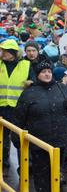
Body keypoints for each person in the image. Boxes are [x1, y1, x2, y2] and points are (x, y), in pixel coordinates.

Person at [12, 59, 67, 192]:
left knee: (56, 167)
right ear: (38, 75)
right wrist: (16, 138)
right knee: (41, 168)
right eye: (43, 72)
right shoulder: (29, 93)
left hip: (59, 137)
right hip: (39, 138)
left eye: (49, 72)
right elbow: (19, 117)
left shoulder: (62, 89)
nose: (47, 74)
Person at [0, 39, 32, 173]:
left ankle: (24, 166)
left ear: (12, 53)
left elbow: (33, 82)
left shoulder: (26, 65)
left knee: (19, 138)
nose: (2, 53)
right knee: (2, 137)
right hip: (2, 107)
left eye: (4, 51)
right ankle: (3, 162)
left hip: (19, 108)